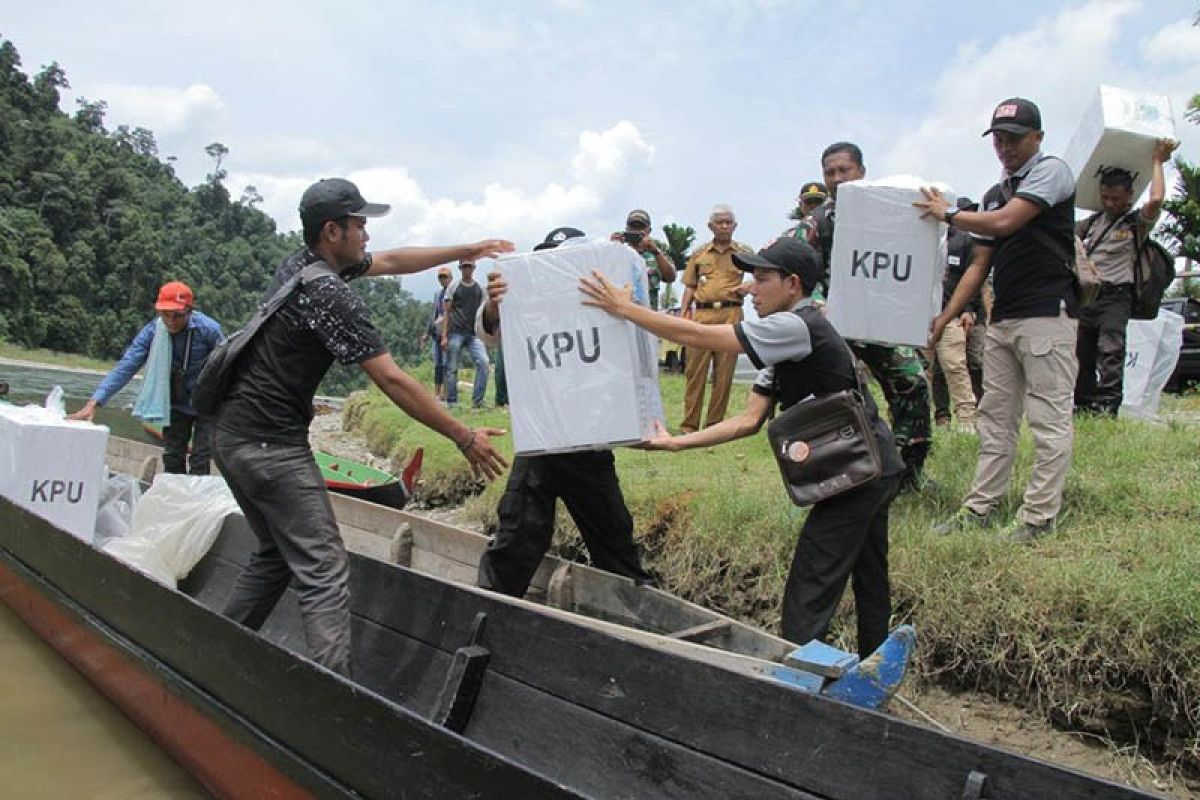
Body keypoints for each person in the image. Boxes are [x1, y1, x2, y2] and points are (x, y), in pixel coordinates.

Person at [214, 177, 511, 675]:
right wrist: (464, 436)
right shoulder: (331, 295)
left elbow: (395, 261)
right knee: (325, 569)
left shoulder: (302, 267)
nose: (367, 237)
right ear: (333, 232)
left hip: (230, 436)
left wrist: (469, 248)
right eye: (360, 226)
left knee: (275, 554)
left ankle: (215, 650)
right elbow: (392, 380)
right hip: (270, 447)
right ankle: (335, 695)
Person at [579, 237, 905, 657]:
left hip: (860, 472)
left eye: (762, 278)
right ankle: (873, 664)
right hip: (873, 466)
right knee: (868, 573)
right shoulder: (784, 341)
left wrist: (626, 310)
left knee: (813, 578)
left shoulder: (795, 325)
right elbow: (748, 421)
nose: (749, 288)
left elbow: (699, 334)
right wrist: (674, 444)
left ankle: (801, 678)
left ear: (793, 284)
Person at [917, 97, 1078, 543]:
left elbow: (1007, 222)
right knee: (995, 419)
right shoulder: (991, 195)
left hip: (1047, 314)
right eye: (999, 139)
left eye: (1014, 139)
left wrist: (947, 213)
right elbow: (977, 266)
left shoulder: (1053, 172)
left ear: (1037, 138)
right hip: (1004, 318)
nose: (1004, 147)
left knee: (1048, 419)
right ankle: (980, 507)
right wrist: (944, 317)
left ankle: (1038, 517)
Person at [475, 226, 656, 597]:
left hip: (589, 438)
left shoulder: (605, 299)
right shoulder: (528, 304)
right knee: (517, 536)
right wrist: (495, 303)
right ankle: (490, 610)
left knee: (614, 538)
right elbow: (493, 333)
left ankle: (640, 617)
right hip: (541, 440)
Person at [804, 142, 933, 489]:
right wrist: (819, 304)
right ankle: (840, 477)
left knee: (913, 382)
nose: (836, 178)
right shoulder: (817, 222)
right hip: (834, 324)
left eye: (844, 170)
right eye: (829, 172)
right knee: (839, 399)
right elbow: (801, 273)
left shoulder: (889, 212)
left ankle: (909, 472)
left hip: (880, 321)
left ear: (861, 171)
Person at [68, 280, 223, 475]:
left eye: (177, 316)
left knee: (200, 459)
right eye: (165, 315)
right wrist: (94, 402)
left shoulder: (209, 330)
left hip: (206, 404)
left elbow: (227, 366)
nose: (171, 322)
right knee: (173, 457)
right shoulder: (154, 331)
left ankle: (197, 502)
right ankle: (174, 499)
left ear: (189, 311)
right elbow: (127, 365)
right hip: (174, 403)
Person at [1074, 138, 1178, 416]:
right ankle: (1082, 406)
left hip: (1115, 297)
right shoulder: (1091, 224)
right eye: (1105, 197)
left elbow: (1155, 199)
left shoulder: (1135, 224)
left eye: (1116, 199)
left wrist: (1157, 161)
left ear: (1129, 197)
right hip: (1087, 297)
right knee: (1082, 353)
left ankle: (1107, 406)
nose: (1110, 203)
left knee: (1110, 351)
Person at [679, 205, 752, 433]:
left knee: (724, 373)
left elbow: (763, 275)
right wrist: (683, 316)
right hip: (702, 314)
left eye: (728, 222)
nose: (724, 226)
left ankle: (714, 425)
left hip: (731, 313)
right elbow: (690, 287)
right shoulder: (699, 254)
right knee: (695, 371)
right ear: (710, 226)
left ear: (735, 226)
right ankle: (690, 424)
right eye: (719, 222)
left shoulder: (744, 252)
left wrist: (749, 286)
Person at [930, 197, 984, 431]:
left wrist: (969, 309)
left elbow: (972, 277)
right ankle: (937, 419)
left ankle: (966, 419)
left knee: (955, 366)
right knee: (926, 372)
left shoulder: (962, 240)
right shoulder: (918, 238)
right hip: (919, 317)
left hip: (950, 313)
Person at [441, 260, 490, 408]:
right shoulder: (453, 287)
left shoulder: (480, 289)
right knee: (452, 368)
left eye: (469, 266)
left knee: (484, 363)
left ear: (474, 268)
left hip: (475, 333)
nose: (467, 269)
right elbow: (447, 312)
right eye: (464, 267)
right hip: (456, 332)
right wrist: (444, 336)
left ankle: (477, 400)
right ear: (460, 269)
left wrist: (487, 334)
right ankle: (452, 401)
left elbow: (484, 312)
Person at [611, 209, 676, 310]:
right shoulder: (618, 250)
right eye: (633, 227)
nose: (636, 231)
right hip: (622, 315)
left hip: (648, 316)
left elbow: (670, 278)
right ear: (626, 228)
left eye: (641, 227)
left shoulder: (657, 250)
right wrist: (613, 248)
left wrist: (656, 252)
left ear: (649, 230)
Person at [420, 266, 452, 401]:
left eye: (445, 277)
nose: (443, 280)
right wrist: (426, 333)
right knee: (438, 364)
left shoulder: (453, 294)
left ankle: (446, 392)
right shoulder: (437, 294)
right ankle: (437, 393)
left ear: (450, 278)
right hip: (437, 334)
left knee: (447, 364)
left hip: (449, 333)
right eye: (441, 277)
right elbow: (433, 314)